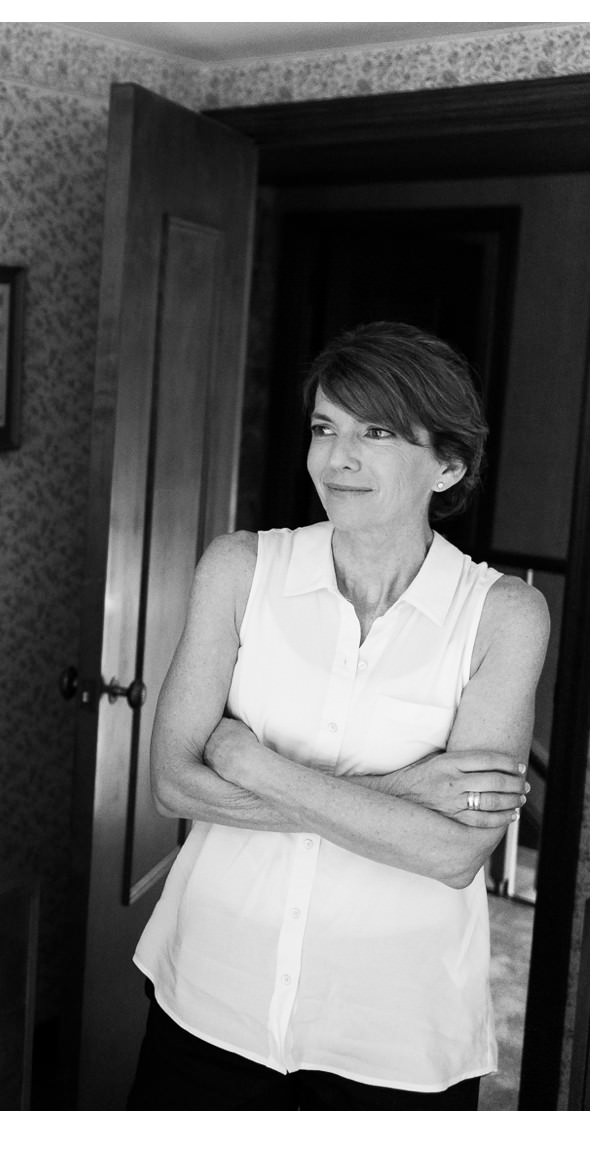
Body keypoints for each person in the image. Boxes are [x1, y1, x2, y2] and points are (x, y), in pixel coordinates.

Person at [129, 321, 549, 1110]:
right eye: (326, 428)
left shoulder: (504, 616)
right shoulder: (240, 568)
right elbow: (174, 786)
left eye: (377, 432)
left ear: (449, 463)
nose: (337, 457)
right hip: (211, 997)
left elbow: (452, 855)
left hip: (391, 1034)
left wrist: (255, 765)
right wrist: (406, 791)